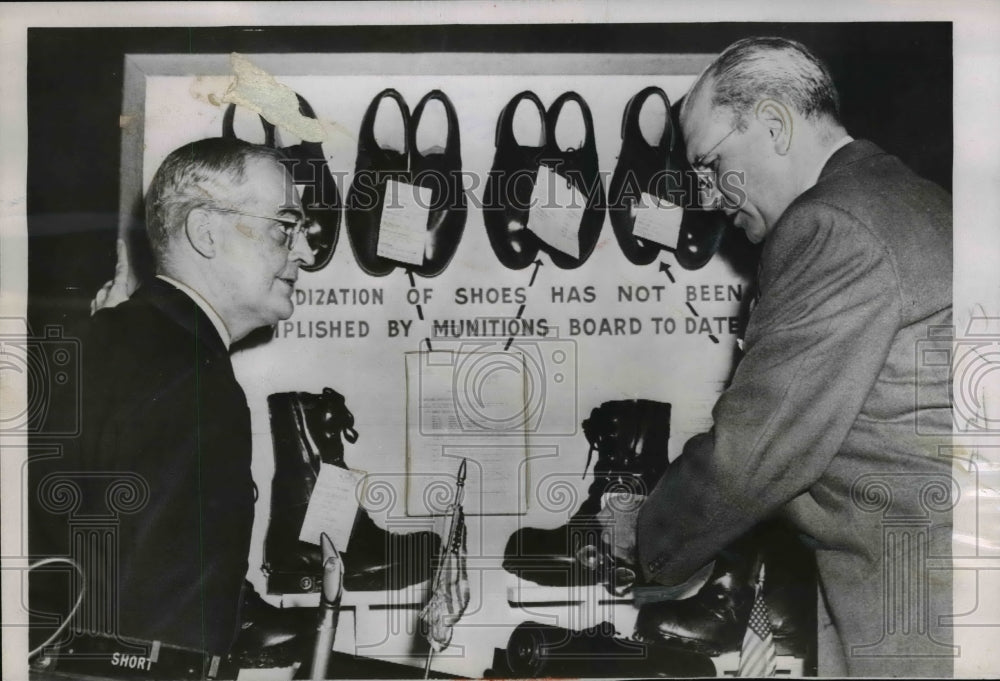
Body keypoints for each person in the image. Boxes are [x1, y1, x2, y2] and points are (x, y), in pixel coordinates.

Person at [635, 37, 953, 677]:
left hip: (915, 611)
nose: (709, 196)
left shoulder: (830, 224)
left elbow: (749, 457)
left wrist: (642, 544)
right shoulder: (917, 199)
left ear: (775, 125)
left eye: (709, 165)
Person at [61, 137, 314, 661]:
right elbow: (163, 643)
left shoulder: (98, 340)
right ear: (205, 232)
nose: (305, 253)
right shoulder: (194, 383)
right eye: (285, 228)